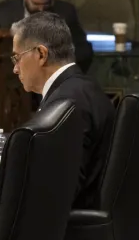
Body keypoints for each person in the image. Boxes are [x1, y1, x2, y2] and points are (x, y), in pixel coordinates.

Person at [8, 12, 114, 208]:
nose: (15, 69)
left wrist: (3, 167)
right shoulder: (82, 88)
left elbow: (61, 187)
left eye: (17, 58)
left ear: (41, 54)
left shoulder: (66, 104)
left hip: (70, 229)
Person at [0, 0, 92, 71]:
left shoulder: (66, 12)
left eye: (46, 4)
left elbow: (84, 51)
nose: (41, 9)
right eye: (36, 4)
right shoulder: (1, 14)